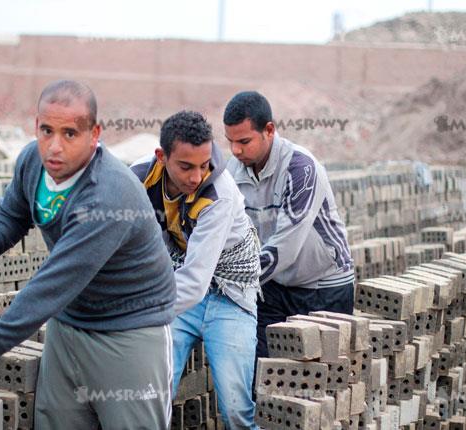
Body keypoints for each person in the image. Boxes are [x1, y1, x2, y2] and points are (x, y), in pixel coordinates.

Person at [0, 80, 177, 429]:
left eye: (69, 134)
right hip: (70, 324)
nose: (54, 146)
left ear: (94, 134)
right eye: (46, 130)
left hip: (130, 331)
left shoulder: (107, 196)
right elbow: (12, 213)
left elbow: (52, 284)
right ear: (36, 126)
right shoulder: (33, 163)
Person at [131, 110, 260, 429]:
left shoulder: (220, 192)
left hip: (230, 293)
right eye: (185, 166)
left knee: (235, 408)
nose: (195, 177)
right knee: (154, 393)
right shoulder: (138, 179)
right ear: (162, 157)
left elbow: (195, 281)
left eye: (203, 166)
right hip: (176, 282)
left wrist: (135, 312)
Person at [224, 91, 355, 359]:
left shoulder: (301, 168)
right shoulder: (233, 172)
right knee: (263, 375)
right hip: (274, 284)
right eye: (230, 142)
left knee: (321, 383)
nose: (236, 150)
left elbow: (286, 246)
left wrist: (231, 280)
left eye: (244, 141)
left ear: (269, 130)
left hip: (323, 284)